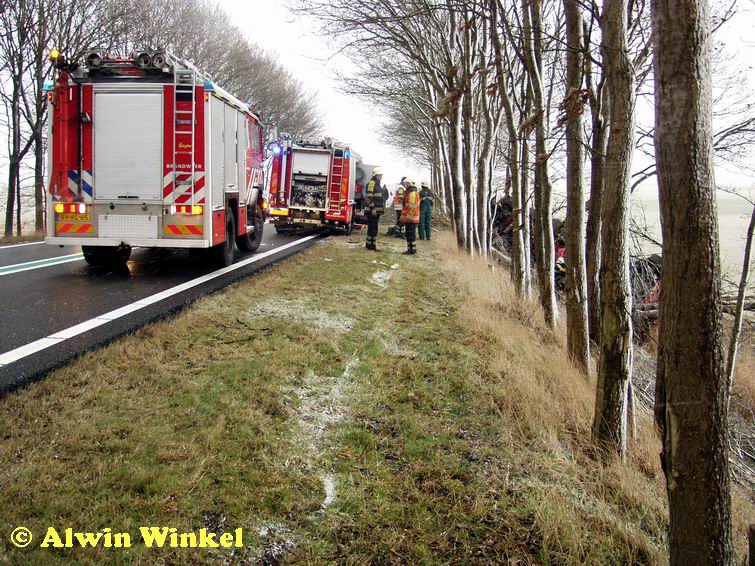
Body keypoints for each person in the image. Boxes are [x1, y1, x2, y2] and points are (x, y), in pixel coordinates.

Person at [364, 167, 385, 251]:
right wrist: (372, 208)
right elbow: (369, 197)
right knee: (373, 228)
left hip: (376, 211)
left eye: (381, 175)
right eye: (379, 175)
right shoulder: (372, 183)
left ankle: (369, 244)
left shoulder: (377, 184)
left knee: (372, 228)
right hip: (372, 211)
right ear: (375, 175)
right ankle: (372, 246)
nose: (380, 176)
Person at [400, 179, 420, 255]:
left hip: (411, 217)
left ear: (410, 184)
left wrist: (409, 217)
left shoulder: (412, 193)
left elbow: (412, 207)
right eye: (406, 184)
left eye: (407, 184)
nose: (406, 185)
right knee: (409, 233)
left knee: (410, 234)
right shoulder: (410, 192)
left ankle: (412, 250)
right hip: (410, 216)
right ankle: (410, 249)